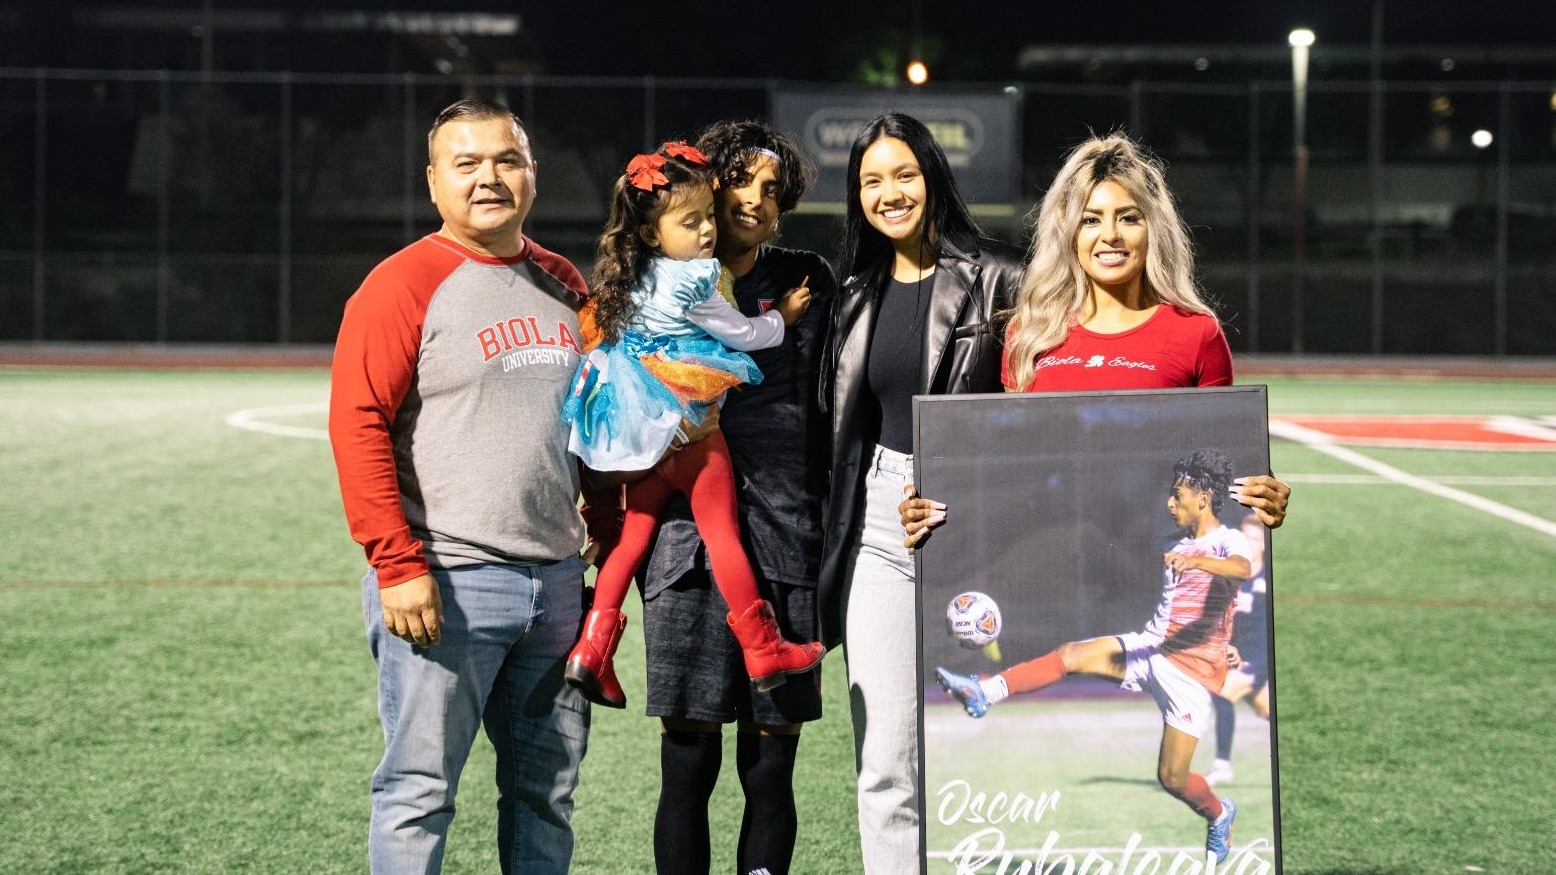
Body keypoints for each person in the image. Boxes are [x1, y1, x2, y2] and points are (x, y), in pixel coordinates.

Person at [328, 98, 593, 874]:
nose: (489, 178)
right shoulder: (401, 283)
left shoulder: (560, 280)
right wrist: (397, 562)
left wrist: (601, 526)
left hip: (556, 583)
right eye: (466, 163)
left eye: (506, 160)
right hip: (448, 579)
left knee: (546, 792)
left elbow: (594, 418)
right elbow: (358, 425)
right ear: (434, 182)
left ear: (532, 175)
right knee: (419, 792)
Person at [817, 111, 1027, 873]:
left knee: (994, 742)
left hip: (984, 524)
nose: (889, 192)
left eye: (903, 173)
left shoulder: (1004, 276)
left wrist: (967, 486)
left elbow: (1037, 413)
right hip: (882, 522)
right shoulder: (853, 294)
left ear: (933, 175)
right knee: (885, 757)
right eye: (871, 180)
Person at [901, 132, 1292, 539]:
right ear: (1068, 233)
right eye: (1090, 219)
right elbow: (1005, 467)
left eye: (1128, 217)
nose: (1110, 235)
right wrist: (930, 504)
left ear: (1152, 228)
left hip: (1153, 560)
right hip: (1050, 558)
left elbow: (1219, 469)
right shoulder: (1029, 332)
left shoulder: (1196, 333)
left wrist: (1262, 494)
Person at [636, 119, 836, 875]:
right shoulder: (662, 277)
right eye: (743, 181)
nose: (757, 199)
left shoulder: (806, 278)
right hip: (685, 552)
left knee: (770, 771)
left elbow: (837, 400)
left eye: (773, 191)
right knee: (687, 766)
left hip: (786, 541)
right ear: (706, 186)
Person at [561, 142, 823, 712]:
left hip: (647, 441)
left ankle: (591, 649)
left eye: (708, 216)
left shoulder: (635, 278)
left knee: (631, 541)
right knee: (723, 535)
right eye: (692, 220)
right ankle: (764, 650)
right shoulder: (696, 280)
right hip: (698, 442)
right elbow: (746, 337)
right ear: (655, 232)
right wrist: (782, 316)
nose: (707, 230)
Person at [934, 449, 1253, 863]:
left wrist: (1199, 568)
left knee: (1172, 779)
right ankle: (984, 692)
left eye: (1178, 495)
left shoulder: (1228, 541)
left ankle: (1218, 812)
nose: (1169, 503)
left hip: (1191, 675)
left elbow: (1243, 570)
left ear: (1204, 498)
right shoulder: (1174, 543)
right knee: (1072, 655)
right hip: (1151, 648)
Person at [1207, 510, 1274, 787]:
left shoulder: (1270, 578)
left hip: (1259, 656)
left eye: (1255, 538)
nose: (1249, 543)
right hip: (1236, 653)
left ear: (1264, 544)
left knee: (1222, 692)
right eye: (1245, 537)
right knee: (1266, 709)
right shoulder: (1233, 576)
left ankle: (1222, 765)